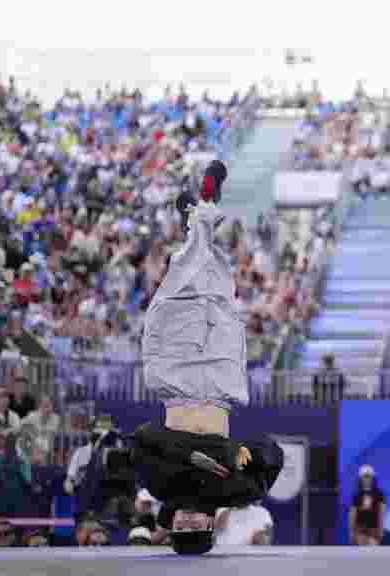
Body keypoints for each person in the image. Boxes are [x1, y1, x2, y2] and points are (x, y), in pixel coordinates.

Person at [135, 160, 283, 556]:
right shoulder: (237, 491)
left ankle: (198, 218)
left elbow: (144, 437)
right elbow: (270, 451)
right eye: (194, 528)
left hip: (175, 385)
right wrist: (242, 458)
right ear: (208, 527)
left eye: (180, 527)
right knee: (218, 295)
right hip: (219, 388)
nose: (186, 521)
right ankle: (200, 216)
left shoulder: (161, 485)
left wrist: (192, 456)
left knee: (173, 299)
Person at [349, 465, 385, 545]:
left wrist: (381, 529)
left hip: (374, 529)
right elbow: (352, 514)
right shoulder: (356, 495)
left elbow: (382, 512)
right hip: (360, 529)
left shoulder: (379, 494)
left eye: (369, 477)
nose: (367, 479)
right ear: (360, 479)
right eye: (364, 477)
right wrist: (351, 531)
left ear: (373, 478)